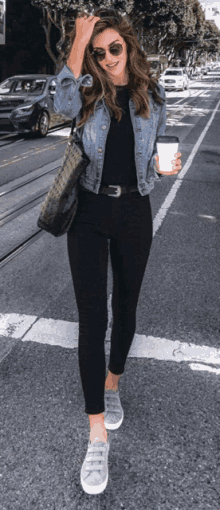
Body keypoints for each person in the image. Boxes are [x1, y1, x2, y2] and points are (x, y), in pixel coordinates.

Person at [54, 8, 182, 495]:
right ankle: (95, 436)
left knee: (124, 307)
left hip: (133, 212)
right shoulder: (85, 91)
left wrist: (163, 165)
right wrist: (78, 40)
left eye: (114, 48)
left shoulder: (154, 94)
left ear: (128, 47)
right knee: (92, 319)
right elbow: (61, 102)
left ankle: (112, 384)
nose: (106, 59)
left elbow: (155, 151)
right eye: (98, 51)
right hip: (87, 212)